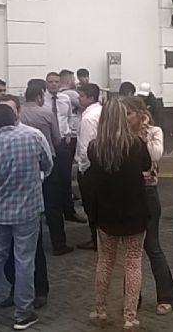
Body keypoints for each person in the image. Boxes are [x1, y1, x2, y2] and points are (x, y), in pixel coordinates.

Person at [0, 104, 53, 331]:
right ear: (15, 117)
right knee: (24, 260)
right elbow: (48, 165)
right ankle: (22, 313)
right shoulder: (33, 138)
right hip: (28, 209)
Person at [84, 98, 151, 330]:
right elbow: (146, 165)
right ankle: (129, 316)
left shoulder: (95, 147)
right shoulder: (135, 145)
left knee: (105, 261)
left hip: (106, 213)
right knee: (133, 262)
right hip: (134, 212)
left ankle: (99, 309)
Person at [125, 100, 173, 316]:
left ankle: (166, 296)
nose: (125, 117)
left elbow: (154, 156)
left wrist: (144, 132)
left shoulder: (155, 132)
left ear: (140, 113)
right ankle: (131, 298)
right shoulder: (122, 134)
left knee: (152, 246)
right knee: (129, 250)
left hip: (147, 193)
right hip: (127, 193)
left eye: (128, 113)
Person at [19, 85, 72, 256]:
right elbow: (57, 139)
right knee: (53, 205)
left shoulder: (18, 115)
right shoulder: (47, 113)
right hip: (47, 161)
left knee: (29, 206)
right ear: (40, 97)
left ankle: (33, 245)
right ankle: (59, 244)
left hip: (25, 164)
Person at [46, 72, 86, 224]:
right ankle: (52, 212)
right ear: (46, 83)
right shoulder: (42, 101)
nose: (54, 84)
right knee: (50, 179)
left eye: (56, 82)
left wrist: (69, 131)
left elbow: (69, 117)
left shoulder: (65, 99)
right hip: (48, 142)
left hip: (63, 141)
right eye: (51, 82)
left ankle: (69, 211)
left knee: (65, 178)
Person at [75, 83, 103, 250]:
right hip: (101, 165)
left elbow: (85, 148)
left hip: (90, 168)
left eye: (82, 96)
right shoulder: (102, 112)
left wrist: (83, 168)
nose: (78, 99)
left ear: (91, 98)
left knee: (91, 206)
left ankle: (95, 239)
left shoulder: (88, 119)